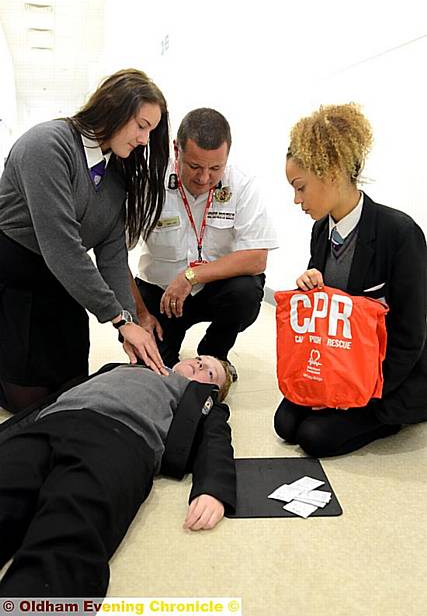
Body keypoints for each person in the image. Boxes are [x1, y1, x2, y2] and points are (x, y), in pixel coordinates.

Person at [0, 69, 170, 414]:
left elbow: (111, 256)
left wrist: (131, 327)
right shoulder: (47, 145)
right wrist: (120, 321)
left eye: (150, 130)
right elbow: (61, 246)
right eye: (141, 125)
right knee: (30, 408)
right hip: (16, 278)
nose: (144, 139)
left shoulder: (116, 172)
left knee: (71, 391)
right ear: (113, 108)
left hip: (64, 280)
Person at [0, 355, 235, 597]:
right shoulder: (121, 367)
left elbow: (216, 439)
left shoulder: (195, 395)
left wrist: (213, 489)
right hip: (53, 422)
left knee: (70, 529)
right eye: (199, 359)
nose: (199, 364)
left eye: (209, 372)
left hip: (120, 439)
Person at [274, 103, 427, 457]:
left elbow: (410, 336)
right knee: (286, 423)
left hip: (386, 375)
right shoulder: (320, 230)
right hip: (340, 362)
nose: (296, 200)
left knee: (314, 437)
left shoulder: (400, 233)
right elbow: (328, 315)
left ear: (331, 173)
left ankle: (389, 419)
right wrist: (310, 290)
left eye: (300, 188)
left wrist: (357, 394)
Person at [132, 108, 278, 373]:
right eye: (195, 166)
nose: (204, 178)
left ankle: (215, 352)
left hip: (213, 290)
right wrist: (140, 316)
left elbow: (257, 257)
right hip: (161, 294)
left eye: (215, 168)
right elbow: (114, 252)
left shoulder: (242, 185)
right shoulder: (149, 183)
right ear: (177, 150)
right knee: (154, 372)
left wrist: (191, 276)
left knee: (245, 292)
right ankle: (165, 348)